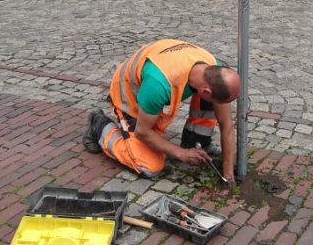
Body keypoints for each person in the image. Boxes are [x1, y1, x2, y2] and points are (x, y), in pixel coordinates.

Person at [82, 39, 240, 182]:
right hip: (129, 91)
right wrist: (180, 154)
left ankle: (194, 142)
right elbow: (143, 132)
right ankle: (99, 125)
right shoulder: (159, 85)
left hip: (157, 73)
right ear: (206, 91)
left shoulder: (214, 69)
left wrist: (228, 174)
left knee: (213, 103)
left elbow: (226, 125)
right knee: (149, 167)